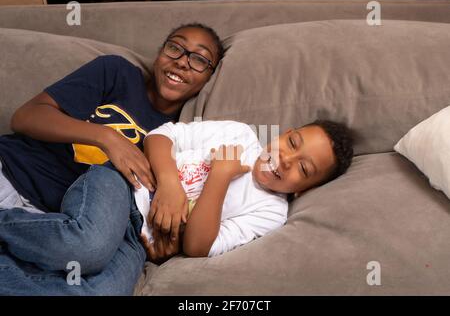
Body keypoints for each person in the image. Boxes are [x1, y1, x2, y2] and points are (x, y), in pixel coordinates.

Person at [0, 23, 224, 295]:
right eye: (175, 47)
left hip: (52, 229)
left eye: (199, 59)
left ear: (210, 78)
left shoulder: (182, 138)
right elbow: (25, 117)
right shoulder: (117, 74)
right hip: (12, 172)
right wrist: (108, 138)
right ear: (160, 52)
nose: (182, 62)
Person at [136, 119, 354, 260]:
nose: (286, 159)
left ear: (306, 190)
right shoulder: (240, 135)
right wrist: (170, 185)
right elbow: (160, 135)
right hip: (133, 187)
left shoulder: (271, 212)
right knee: (99, 246)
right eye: (292, 143)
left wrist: (219, 176)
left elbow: (197, 247)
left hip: (142, 244)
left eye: (304, 168)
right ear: (283, 134)